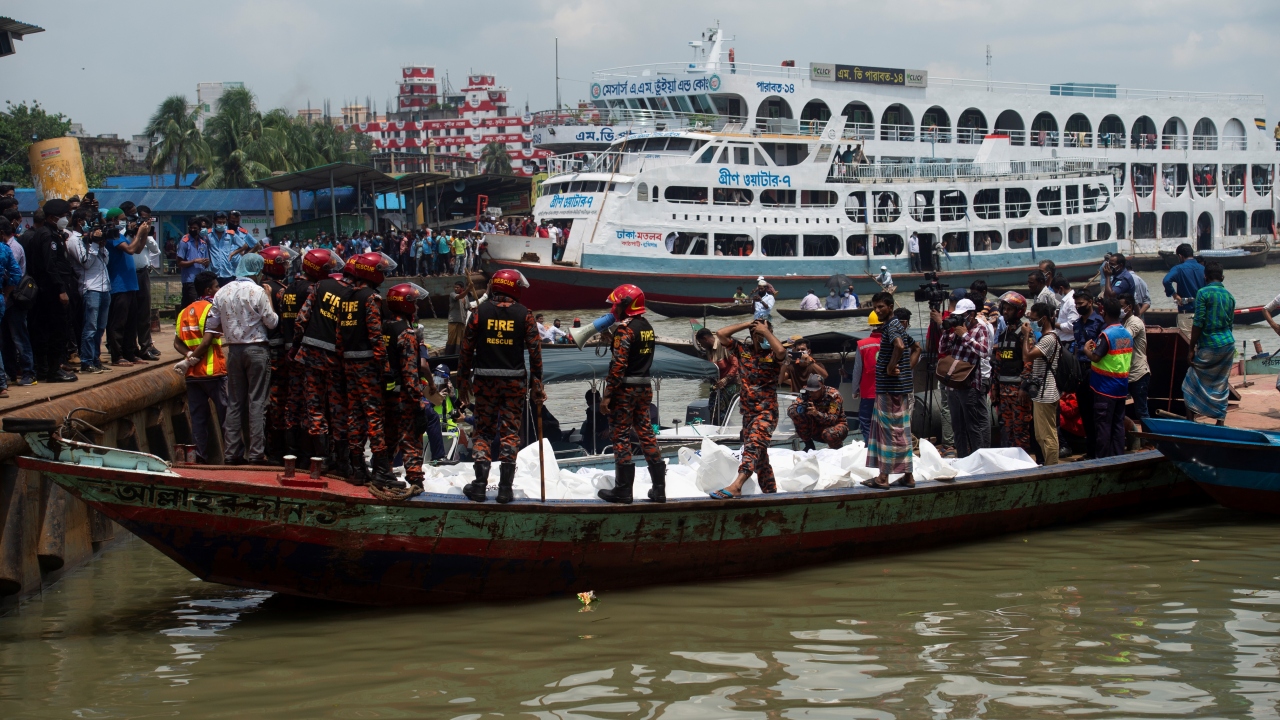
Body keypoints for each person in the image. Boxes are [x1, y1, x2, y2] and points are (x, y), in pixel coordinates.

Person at [459, 269, 543, 503]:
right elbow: (536, 354)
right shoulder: (524, 315)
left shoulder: (479, 312)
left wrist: (462, 380)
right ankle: (505, 488)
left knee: (483, 432)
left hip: (485, 381)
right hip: (514, 382)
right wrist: (537, 383)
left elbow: (466, 350)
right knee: (509, 433)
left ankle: (479, 485)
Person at [596, 284, 666, 504]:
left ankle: (623, 490)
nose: (614, 308)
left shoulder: (625, 329)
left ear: (626, 304)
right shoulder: (646, 326)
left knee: (621, 436)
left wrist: (607, 395)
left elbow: (619, 364)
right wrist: (612, 339)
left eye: (617, 303)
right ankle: (659, 489)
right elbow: (634, 353)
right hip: (643, 387)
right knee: (646, 434)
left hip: (624, 389)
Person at [207, 254, 279, 464]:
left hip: (234, 350)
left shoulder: (223, 291)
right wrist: (270, 298)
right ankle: (256, 453)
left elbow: (211, 324)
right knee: (257, 401)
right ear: (256, 270)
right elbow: (272, 322)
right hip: (257, 349)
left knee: (235, 402)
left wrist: (232, 330)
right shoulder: (258, 291)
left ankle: (231, 453)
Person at [708, 317, 786, 498]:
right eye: (758, 335)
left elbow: (782, 351)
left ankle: (737, 485)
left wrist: (766, 331)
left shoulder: (773, 353)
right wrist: (748, 324)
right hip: (748, 413)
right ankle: (770, 491)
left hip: (766, 412)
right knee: (760, 456)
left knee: (752, 447)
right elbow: (721, 334)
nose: (762, 338)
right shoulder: (744, 350)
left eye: (765, 334)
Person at [339, 252, 397, 487]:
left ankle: (358, 469)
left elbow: (339, 334)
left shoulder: (346, 297)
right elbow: (376, 336)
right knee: (374, 416)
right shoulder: (371, 298)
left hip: (348, 363)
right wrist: (385, 369)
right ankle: (382, 471)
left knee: (354, 416)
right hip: (367, 365)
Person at [281, 248, 340, 461]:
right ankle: (318, 454)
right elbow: (304, 322)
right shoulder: (312, 290)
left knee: (294, 402)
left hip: (291, 353)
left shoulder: (288, 289)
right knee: (314, 404)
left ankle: (294, 452)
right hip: (308, 355)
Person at [864, 293, 920, 488]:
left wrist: (890, 367)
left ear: (889, 307)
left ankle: (883, 478)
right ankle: (908, 476)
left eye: (880, 307)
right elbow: (917, 348)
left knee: (888, 433)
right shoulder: (897, 326)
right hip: (897, 388)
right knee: (900, 432)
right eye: (875, 307)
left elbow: (900, 345)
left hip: (890, 390)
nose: (877, 310)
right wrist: (905, 369)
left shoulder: (892, 326)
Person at [382, 283, 432, 492]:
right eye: (415, 303)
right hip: (403, 396)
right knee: (411, 439)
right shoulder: (407, 333)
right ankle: (415, 480)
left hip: (384, 394)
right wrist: (418, 402)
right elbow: (411, 372)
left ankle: (383, 473)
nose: (418, 307)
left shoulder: (383, 328)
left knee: (388, 438)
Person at [174, 271, 227, 464]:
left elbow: (176, 343)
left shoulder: (184, 312)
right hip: (213, 372)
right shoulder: (211, 309)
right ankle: (231, 458)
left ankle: (200, 460)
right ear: (207, 290)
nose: (218, 289)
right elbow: (206, 343)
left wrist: (187, 355)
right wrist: (190, 359)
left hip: (193, 377)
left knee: (198, 421)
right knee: (226, 418)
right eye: (215, 286)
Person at [28, 199, 79, 383]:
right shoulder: (47, 236)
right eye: (64, 216)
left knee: (49, 331)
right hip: (51, 292)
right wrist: (60, 289)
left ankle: (46, 369)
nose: (66, 219)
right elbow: (50, 266)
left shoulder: (53, 234)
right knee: (56, 331)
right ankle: (52, 370)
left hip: (51, 290)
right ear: (52, 218)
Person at [1182, 261, 1235, 425]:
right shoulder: (1230, 297)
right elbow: (1230, 324)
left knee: (1189, 382)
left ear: (1205, 277)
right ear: (1222, 277)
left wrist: (1191, 348)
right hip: (1227, 344)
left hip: (1210, 344)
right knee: (1221, 382)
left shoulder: (1203, 293)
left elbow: (1198, 322)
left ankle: (1191, 421)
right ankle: (1220, 421)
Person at [940, 297, 992, 459]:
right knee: (958, 425)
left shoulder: (979, 328)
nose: (960, 318)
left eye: (963, 315)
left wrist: (965, 336)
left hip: (970, 383)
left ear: (971, 314)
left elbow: (984, 351)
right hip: (953, 383)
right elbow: (943, 348)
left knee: (974, 425)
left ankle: (980, 458)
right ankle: (962, 457)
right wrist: (946, 331)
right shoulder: (956, 330)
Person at [258, 245, 296, 462]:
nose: (288, 265)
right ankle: (277, 450)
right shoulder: (281, 291)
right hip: (277, 351)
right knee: (278, 399)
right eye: (285, 262)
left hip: (262, 348)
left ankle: (267, 447)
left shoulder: (257, 287)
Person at [1082, 297, 1133, 458]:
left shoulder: (1107, 334)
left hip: (1104, 388)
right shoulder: (1126, 333)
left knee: (1103, 426)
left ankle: (1102, 459)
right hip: (1121, 386)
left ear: (1104, 313)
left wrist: (1086, 350)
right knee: (1117, 425)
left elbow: (1096, 357)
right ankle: (1118, 457)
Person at [66, 210, 110, 374]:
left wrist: (100, 244)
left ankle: (96, 359)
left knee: (100, 328)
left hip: (104, 286)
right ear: (79, 221)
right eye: (87, 220)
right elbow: (86, 263)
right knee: (90, 328)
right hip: (90, 287)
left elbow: (105, 260)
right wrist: (92, 244)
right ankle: (86, 361)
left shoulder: (93, 242)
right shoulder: (74, 241)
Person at [992, 291, 1034, 454]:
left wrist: (1024, 387)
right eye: (1004, 308)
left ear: (1019, 311)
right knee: (1006, 430)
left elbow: (1029, 363)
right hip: (1003, 392)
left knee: (1021, 431)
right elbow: (998, 362)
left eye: (1009, 309)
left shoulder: (1025, 334)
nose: (1005, 312)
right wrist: (995, 388)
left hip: (1018, 392)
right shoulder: (1002, 335)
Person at [1023, 302, 1061, 465]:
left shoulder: (1049, 339)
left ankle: (1052, 468)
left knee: (1048, 435)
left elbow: (1027, 356)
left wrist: (1026, 335)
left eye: (1034, 318)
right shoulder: (1046, 338)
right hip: (1041, 392)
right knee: (1040, 435)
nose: (1031, 321)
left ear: (1044, 319)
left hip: (1047, 392)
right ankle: (1048, 464)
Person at [1071, 290, 1104, 457]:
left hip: (1095, 369)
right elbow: (1076, 347)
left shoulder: (1099, 322)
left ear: (1090, 302)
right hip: (1080, 370)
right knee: (1084, 412)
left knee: (1096, 411)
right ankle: (1090, 450)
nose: (1078, 307)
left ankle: (1099, 450)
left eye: (1081, 304)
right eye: (1076, 304)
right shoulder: (1076, 324)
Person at [789, 374, 848, 451]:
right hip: (815, 427)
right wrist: (798, 410)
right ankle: (809, 445)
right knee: (797, 416)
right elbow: (791, 409)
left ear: (822, 387)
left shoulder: (834, 396)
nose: (812, 394)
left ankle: (837, 448)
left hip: (836, 426)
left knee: (829, 434)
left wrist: (816, 413)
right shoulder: (805, 393)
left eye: (815, 391)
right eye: (811, 391)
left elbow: (832, 419)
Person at [851, 310, 882, 441]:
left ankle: (870, 450)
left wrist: (854, 390)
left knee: (866, 421)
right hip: (889, 392)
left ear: (870, 326)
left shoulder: (863, 345)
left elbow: (857, 369)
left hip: (868, 392)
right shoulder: (895, 342)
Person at [1119, 293, 1150, 426]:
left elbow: (1124, 339)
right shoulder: (1123, 322)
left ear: (1129, 307)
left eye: (1121, 306)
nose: (1119, 310)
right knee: (1120, 409)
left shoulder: (1135, 322)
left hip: (1138, 373)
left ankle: (1149, 440)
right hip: (1126, 373)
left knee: (1141, 410)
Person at [1161, 243, 1205, 320]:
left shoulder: (1178, 268)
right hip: (1203, 312)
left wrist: (1174, 294)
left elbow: (1166, 281)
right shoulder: (1203, 269)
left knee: (1186, 332)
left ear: (1180, 256)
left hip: (1186, 312)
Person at [207, 211, 250, 287]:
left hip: (227, 272)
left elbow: (245, 246)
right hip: (214, 273)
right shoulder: (209, 234)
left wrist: (233, 253)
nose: (221, 224)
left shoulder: (230, 234)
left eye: (223, 222)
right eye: (219, 222)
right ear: (214, 222)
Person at [176, 219, 211, 312]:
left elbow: (207, 263)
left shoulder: (203, 242)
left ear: (199, 229)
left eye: (195, 228)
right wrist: (194, 261)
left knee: (187, 304)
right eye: (190, 228)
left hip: (201, 279)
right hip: (189, 280)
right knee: (194, 304)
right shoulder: (185, 242)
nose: (192, 230)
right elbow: (179, 263)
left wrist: (206, 262)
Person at [445, 280, 468, 354]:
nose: (455, 289)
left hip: (462, 321)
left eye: (457, 287)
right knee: (451, 339)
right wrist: (469, 289)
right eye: (455, 287)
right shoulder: (452, 294)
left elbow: (468, 307)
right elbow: (459, 296)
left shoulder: (466, 297)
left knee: (460, 340)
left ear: (462, 288)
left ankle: (458, 354)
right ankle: (448, 354)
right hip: (453, 320)